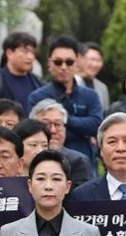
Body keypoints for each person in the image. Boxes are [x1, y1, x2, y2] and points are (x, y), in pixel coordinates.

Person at [27, 36, 103, 167]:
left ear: (77, 62)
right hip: (47, 163)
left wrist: (64, 119)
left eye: (69, 62)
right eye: (58, 62)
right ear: (49, 64)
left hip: (84, 162)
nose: (63, 67)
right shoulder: (38, 97)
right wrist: (81, 126)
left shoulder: (90, 95)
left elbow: (96, 125)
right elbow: (35, 131)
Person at [28, 98, 92, 188]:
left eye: (58, 124)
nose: (53, 130)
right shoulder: (21, 158)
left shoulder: (77, 161)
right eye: (46, 124)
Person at [0, 32, 43, 108]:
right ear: (9, 53)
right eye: (25, 51)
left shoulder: (38, 83)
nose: (30, 57)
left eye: (32, 52)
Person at [75, 42, 110, 112]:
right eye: (92, 59)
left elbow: (105, 113)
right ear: (80, 59)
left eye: (98, 60)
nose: (95, 64)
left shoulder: (102, 87)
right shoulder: (70, 82)